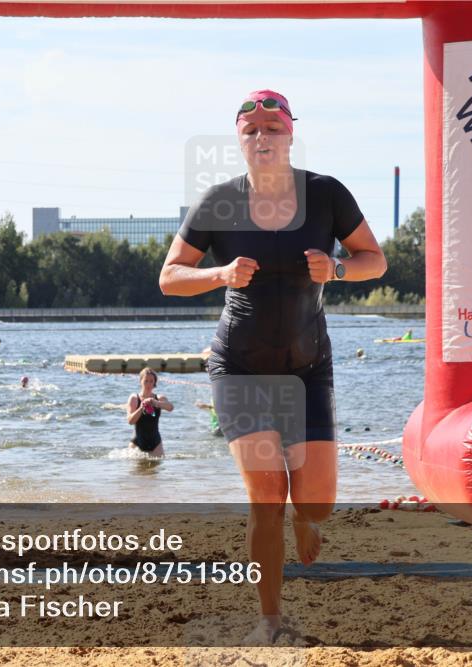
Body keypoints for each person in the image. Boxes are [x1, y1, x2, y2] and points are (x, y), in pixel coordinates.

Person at [158, 89, 386, 642]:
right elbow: (168, 276)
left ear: (290, 135)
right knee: (266, 496)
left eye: (273, 129)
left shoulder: (326, 194)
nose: (263, 138)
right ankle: (270, 620)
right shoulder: (217, 202)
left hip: (309, 366)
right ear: (239, 139)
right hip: (240, 366)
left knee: (318, 503)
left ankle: (306, 520)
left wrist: (336, 268)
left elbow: (373, 260)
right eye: (252, 130)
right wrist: (217, 275)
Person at [126, 367, 173, 458]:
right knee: (135, 471)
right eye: (146, 381)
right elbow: (130, 421)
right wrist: (141, 408)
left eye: (151, 381)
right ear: (141, 381)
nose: (148, 384)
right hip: (137, 442)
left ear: (154, 383)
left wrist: (156, 403)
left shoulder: (159, 398)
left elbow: (170, 407)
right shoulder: (134, 398)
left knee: (156, 471)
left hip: (156, 443)